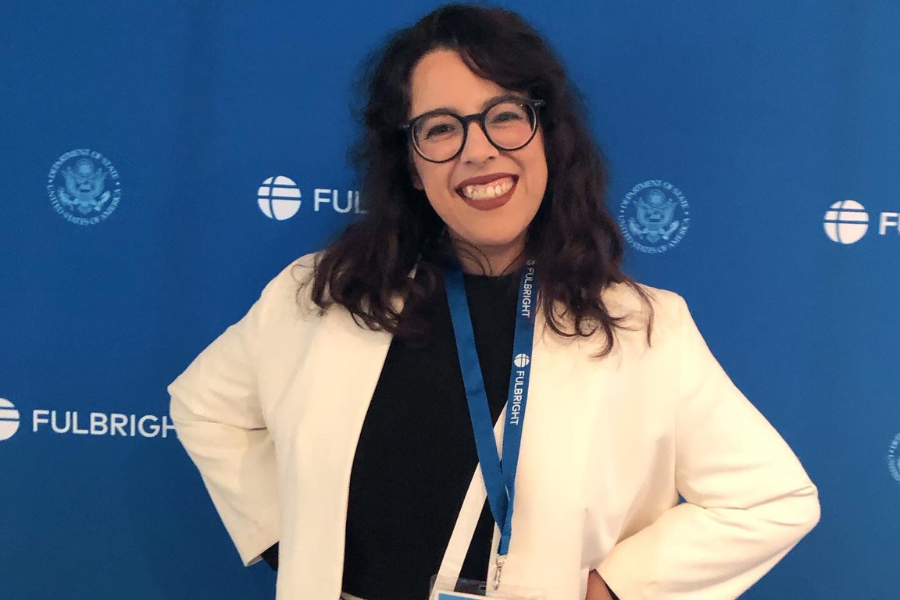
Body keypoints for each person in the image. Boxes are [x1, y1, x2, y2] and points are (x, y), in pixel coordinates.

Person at [168, 4, 820, 600]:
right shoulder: (326, 294)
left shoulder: (643, 328)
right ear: (411, 165)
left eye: (504, 115)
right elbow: (204, 406)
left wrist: (616, 586)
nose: (478, 150)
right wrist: (293, 544)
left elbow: (772, 499)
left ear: (546, 135)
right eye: (440, 128)